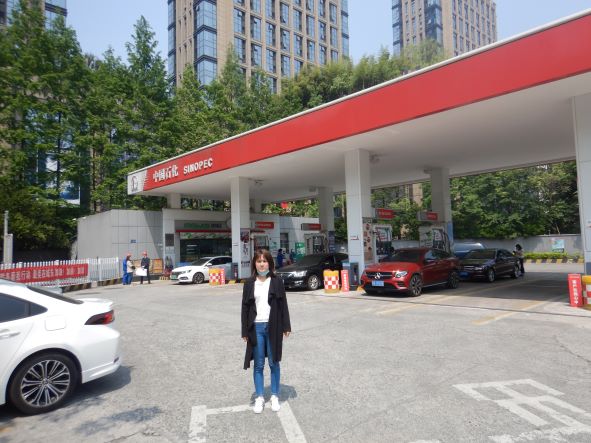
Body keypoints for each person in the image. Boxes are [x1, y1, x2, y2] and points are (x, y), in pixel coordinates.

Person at [241, 249, 291, 414]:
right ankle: (260, 397)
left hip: (273, 326)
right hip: (256, 327)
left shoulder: (277, 282)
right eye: (259, 261)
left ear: (269, 263)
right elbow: (245, 307)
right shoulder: (249, 283)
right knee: (259, 364)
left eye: (264, 261)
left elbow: (283, 304)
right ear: (254, 264)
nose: (262, 264)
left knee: (274, 362)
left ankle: (275, 395)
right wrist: (244, 331)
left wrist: (286, 326)